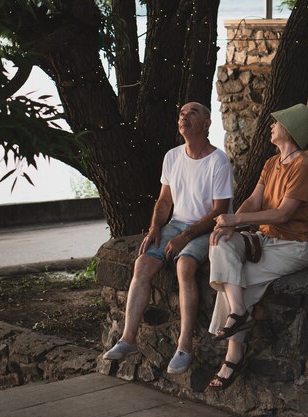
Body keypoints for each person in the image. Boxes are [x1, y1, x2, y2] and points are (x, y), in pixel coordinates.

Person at [103, 102, 234, 375]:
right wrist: (154, 228)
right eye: (181, 114)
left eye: (192, 113)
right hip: (175, 224)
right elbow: (164, 201)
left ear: (207, 123)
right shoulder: (172, 156)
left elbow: (219, 211)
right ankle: (128, 339)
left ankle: (184, 347)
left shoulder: (218, 161)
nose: (184, 117)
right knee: (142, 264)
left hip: (207, 228)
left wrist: (185, 237)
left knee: (184, 265)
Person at [207, 103, 308, 390]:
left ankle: (234, 353)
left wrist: (237, 218)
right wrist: (231, 225)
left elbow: (283, 214)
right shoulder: (271, 164)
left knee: (237, 282)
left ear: (290, 130)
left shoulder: (303, 166)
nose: (271, 126)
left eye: (277, 122)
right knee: (221, 242)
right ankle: (238, 313)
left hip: (293, 247)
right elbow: (254, 202)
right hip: (266, 240)